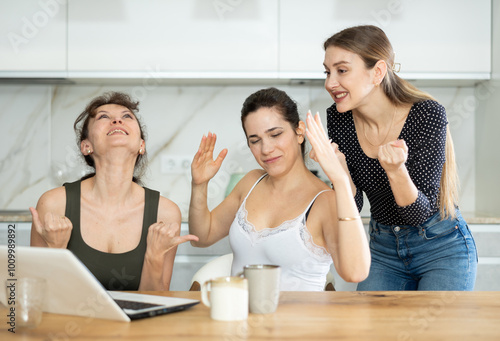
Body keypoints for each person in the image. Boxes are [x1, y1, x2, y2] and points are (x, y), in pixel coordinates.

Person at [320, 25, 477, 291]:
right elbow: (353, 206)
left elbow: (419, 213)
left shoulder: (426, 115)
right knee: (371, 333)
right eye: (327, 71)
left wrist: (396, 171)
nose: (330, 83)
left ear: (378, 72)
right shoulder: (340, 117)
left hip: (440, 247)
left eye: (342, 70)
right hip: (382, 249)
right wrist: (341, 173)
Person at [188, 87, 370, 291]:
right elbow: (201, 237)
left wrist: (341, 179)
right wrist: (199, 184)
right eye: (255, 140)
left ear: (299, 132)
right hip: (241, 319)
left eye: (275, 134)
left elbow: (356, 272)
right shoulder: (251, 182)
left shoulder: (324, 201)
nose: (266, 149)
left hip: (299, 322)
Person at [30, 91, 198, 291]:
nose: (117, 120)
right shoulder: (54, 205)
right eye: (103, 117)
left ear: (141, 145)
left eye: (127, 116)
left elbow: (156, 303)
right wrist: (56, 251)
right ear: (86, 146)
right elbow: (37, 296)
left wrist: (154, 255)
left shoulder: (165, 213)